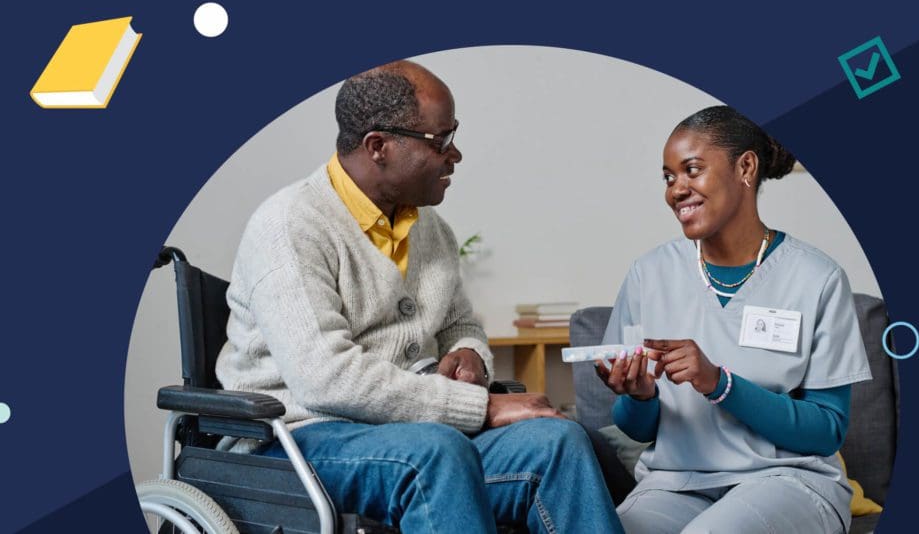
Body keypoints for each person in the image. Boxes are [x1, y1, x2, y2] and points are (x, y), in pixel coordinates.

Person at [216, 60, 623, 533]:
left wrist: (469, 353)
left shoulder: (431, 230)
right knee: (434, 453)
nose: (457, 155)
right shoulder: (290, 226)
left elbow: (460, 324)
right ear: (378, 146)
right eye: (441, 140)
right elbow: (324, 380)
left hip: (408, 436)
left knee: (558, 441)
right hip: (296, 439)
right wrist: (483, 406)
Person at [595, 105, 872, 533]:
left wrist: (719, 383)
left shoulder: (817, 278)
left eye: (692, 170)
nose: (676, 190)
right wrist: (641, 396)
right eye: (669, 177)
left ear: (745, 167)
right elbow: (636, 429)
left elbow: (826, 430)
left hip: (789, 482)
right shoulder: (648, 275)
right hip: (677, 483)